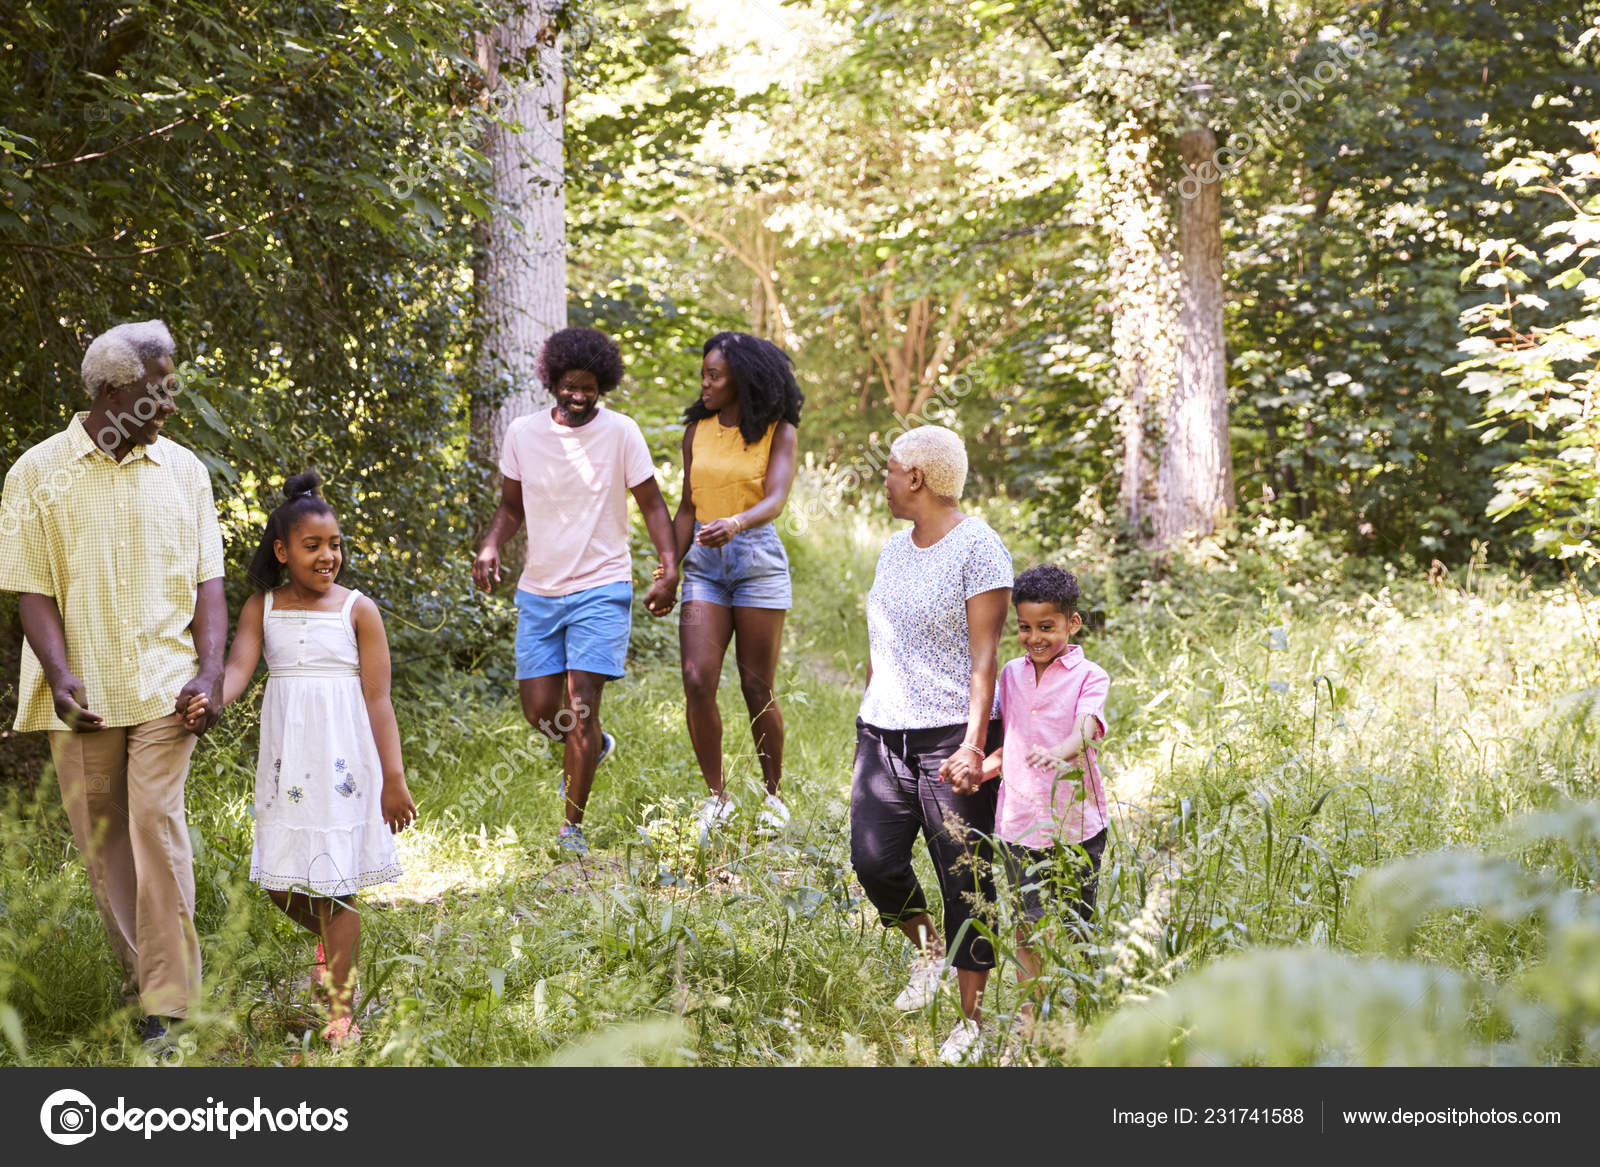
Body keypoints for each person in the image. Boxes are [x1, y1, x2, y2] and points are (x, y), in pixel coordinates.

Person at [0, 320, 226, 1060]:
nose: (168, 406)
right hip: (84, 695)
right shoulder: (36, 473)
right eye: (157, 392)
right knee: (107, 848)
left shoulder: (184, 470)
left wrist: (210, 671)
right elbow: (30, 588)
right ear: (110, 390)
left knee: (155, 827)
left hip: (166, 688)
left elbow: (209, 587)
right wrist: (60, 674)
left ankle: (168, 1004)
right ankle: (145, 984)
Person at [183, 471, 416, 1047]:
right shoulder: (263, 607)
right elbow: (237, 668)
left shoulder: (359, 611)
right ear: (283, 551)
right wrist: (211, 696)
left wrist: (394, 778)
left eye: (335, 544)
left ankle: (341, 1011)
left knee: (338, 888)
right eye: (313, 546)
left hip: (344, 764)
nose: (328, 556)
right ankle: (334, 943)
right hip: (288, 764)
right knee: (279, 881)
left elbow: (379, 699)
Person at [472, 327, 679, 856]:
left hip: (602, 585)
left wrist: (668, 565)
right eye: (570, 385)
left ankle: (572, 829)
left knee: (580, 704)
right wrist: (491, 544)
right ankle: (592, 749)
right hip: (539, 591)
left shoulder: (621, 433)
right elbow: (511, 508)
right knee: (540, 709)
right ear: (553, 381)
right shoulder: (522, 433)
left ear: (602, 385)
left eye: (589, 387)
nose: (579, 396)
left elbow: (652, 505)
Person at [848, 424, 1012, 1065]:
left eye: (890, 469)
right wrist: (868, 713)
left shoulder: (979, 547)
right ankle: (926, 956)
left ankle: (972, 1022)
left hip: (951, 737)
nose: (884, 479)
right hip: (882, 733)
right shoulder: (893, 548)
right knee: (874, 861)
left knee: (964, 878)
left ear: (916, 477)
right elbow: (883, 643)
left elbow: (985, 659)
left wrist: (973, 746)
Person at [961, 564, 1109, 1057]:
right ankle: (1032, 1029)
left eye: (1046, 627)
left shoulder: (1090, 676)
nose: (1034, 637)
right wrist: (981, 770)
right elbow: (1011, 743)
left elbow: (1088, 727)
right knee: (1027, 925)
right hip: (1020, 825)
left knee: (1077, 927)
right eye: (1025, 627)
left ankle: (1084, 1017)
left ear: (1073, 624)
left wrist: (1062, 751)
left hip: (1077, 826)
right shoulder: (1010, 674)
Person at [669, 332, 802, 840]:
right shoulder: (696, 432)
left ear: (741, 379)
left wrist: (738, 523)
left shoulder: (777, 430)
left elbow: (776, 498)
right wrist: (669, 569)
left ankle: (773, 796)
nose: (704, 383)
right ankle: (717, 799)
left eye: (714, 375)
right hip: (704, 566)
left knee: (756, 686)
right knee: (698, 678)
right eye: (704, 373)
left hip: (757, 562)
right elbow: (686, 509)